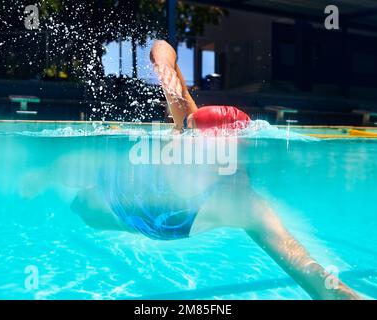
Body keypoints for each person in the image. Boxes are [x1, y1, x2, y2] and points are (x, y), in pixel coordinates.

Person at [71, 40, 361, 300]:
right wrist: (165, 67)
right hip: (132, 199)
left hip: (148, 217)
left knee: (85, 208)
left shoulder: (245, 206)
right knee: (82, 205)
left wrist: (343, 296)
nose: (190, 143)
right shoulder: (190, 130)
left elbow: (304, 267)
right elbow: (161, 46)